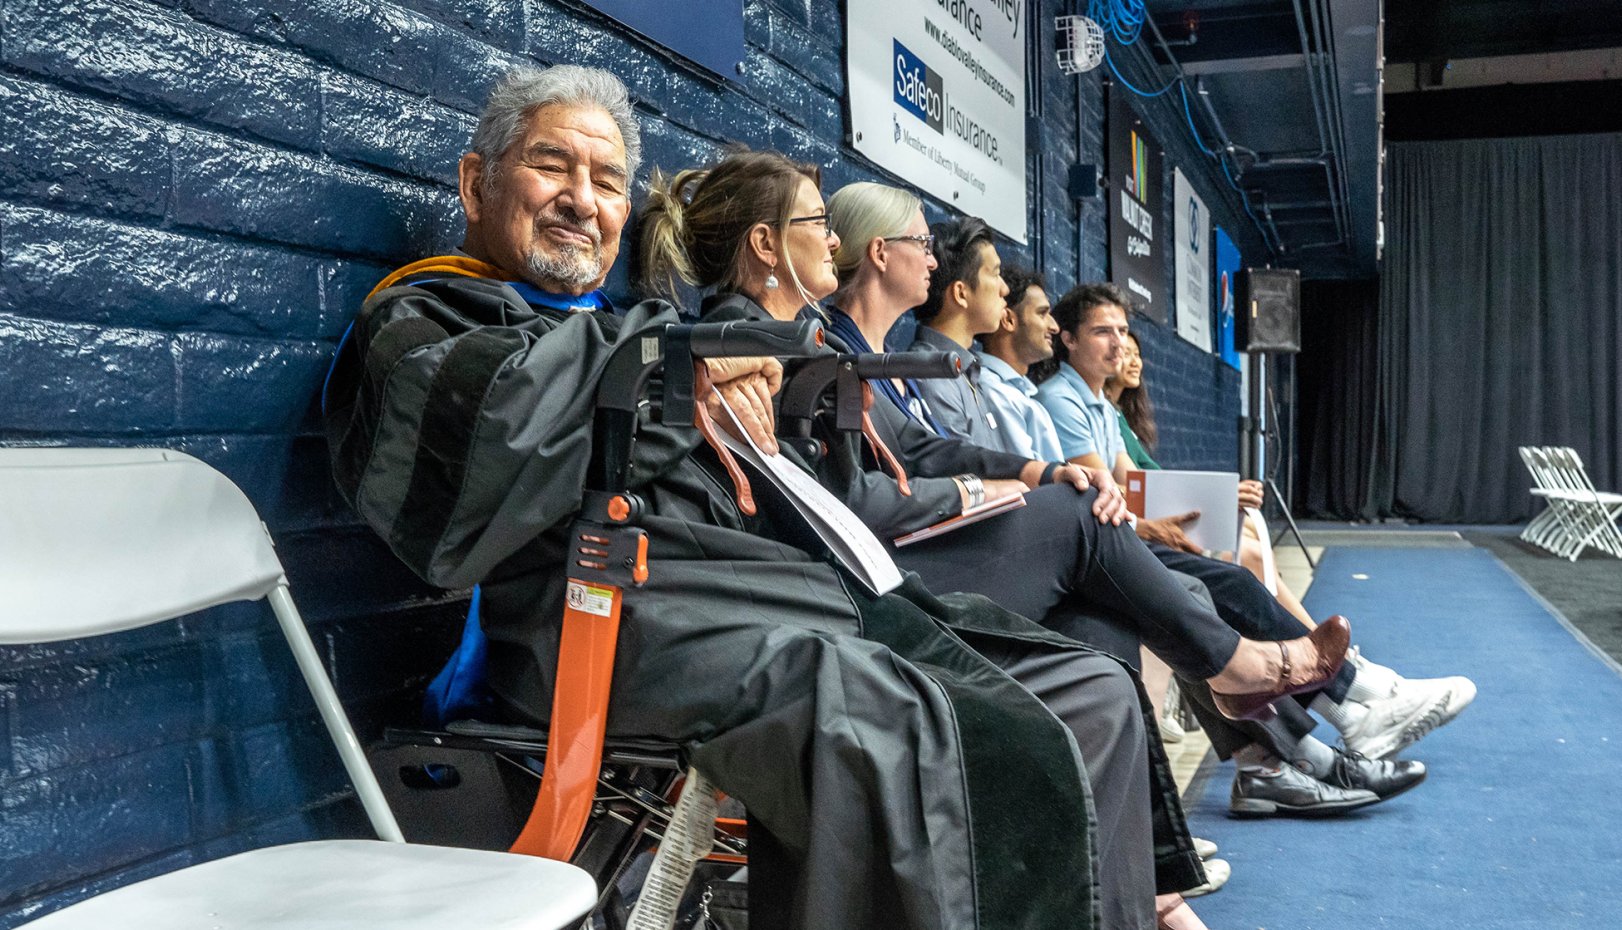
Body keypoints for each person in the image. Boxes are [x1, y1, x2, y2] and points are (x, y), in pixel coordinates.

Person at [325, 65, 1115, 930]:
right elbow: (497, 436)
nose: (581, 200)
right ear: (478, 182)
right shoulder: (424, 319)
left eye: (607, 181)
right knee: (875, 711)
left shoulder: (624, 328)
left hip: (726, 604)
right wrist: (680, 364)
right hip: (583, 626)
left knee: (1086, 686)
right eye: (552, 167)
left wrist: (696, 368)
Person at [640, 155, 1224, 930]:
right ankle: (1235, 678)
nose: (834, 242)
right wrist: (976, 493)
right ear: (767, 244)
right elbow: (848, 501)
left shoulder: (795, 340)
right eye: (817, 224)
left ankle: (1135, 894)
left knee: (1102, 656)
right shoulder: (740, 350)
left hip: (864, 568)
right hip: (839, 593)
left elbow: (908, 452)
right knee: (1082, 524)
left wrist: (1022, 473)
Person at [1043, 284, 1477, 763]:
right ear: (1068, 339)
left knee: (1230, 573)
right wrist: (1174, 518)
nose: (1119, 343)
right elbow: (1108, 495)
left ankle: (1345, 706)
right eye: (1103, 332)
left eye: (1123, 331)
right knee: (1227, 586)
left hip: (1111, 542)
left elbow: (1134, 484)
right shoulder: (1062, 400)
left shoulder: (1100, 406)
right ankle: (1350, 699)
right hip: (1096, 553)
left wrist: (1213, 501)